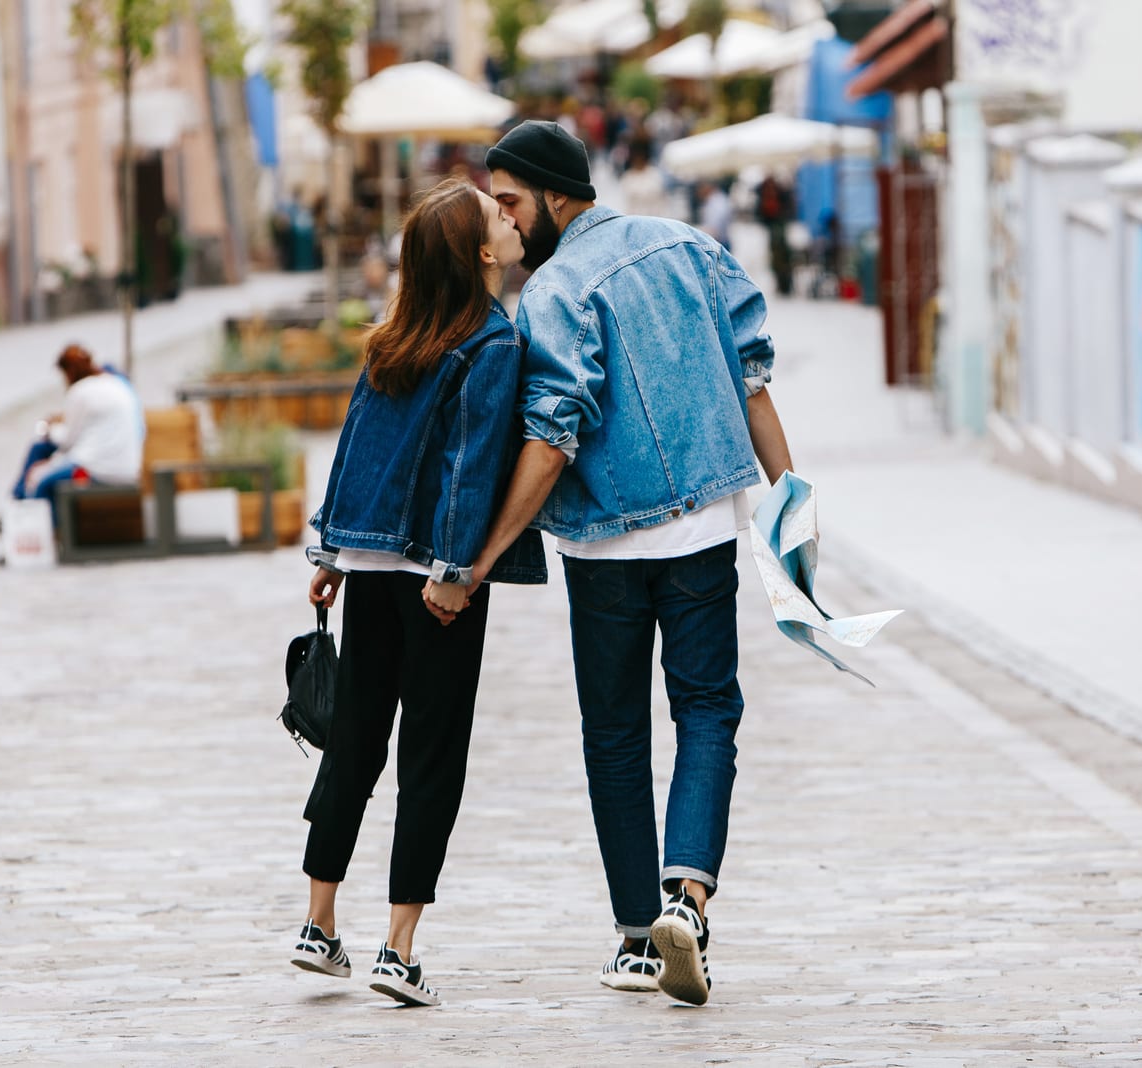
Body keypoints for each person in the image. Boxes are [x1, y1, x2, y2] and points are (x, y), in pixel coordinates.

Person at [437, 120, 795, 1005]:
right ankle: (689, 900)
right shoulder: (691, 247)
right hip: (704, 528)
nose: (509, 229)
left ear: (560, 194)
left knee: (616, 734)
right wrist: (791, 500)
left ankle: (640, 937)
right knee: (708, 711)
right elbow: (752, 379)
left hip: (602, 544)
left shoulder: (554, 292)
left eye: (514, 204)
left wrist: (478, 561)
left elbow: (552, 438)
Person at [292, 177, 545, 1006]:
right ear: (479, 254)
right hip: (437, 580)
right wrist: (457, 570)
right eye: (496, 218)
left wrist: (331, 548)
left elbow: (355, 445)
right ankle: (398, 948)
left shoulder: (393, 336)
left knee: (356, 743)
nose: (510, 221)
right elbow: (473, 467)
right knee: (430, 758)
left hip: (369, 570)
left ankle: (318, 922)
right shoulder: (493, 342)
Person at [10, 345, 144, 517]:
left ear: (68, 373)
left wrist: (49, 431)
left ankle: (42, 531)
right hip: (128, 468)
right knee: (45, 465)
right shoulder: (115, 383)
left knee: (43, 485)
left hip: (99, 469)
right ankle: (22, 505)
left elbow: (68, 440)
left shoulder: (80, 391)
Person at [618, 142, 669, 218]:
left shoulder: (654, 173)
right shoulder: (627, 177)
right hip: (635, 216)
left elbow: (660, 194)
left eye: (641, 158)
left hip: (654, 214)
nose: (638, 161)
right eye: (636, 159)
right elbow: (627, 198)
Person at [698, 181, 733, 252]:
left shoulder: (717, 201)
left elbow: (716, 225)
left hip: (719, 241)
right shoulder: (716, 199)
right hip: (719, 240)